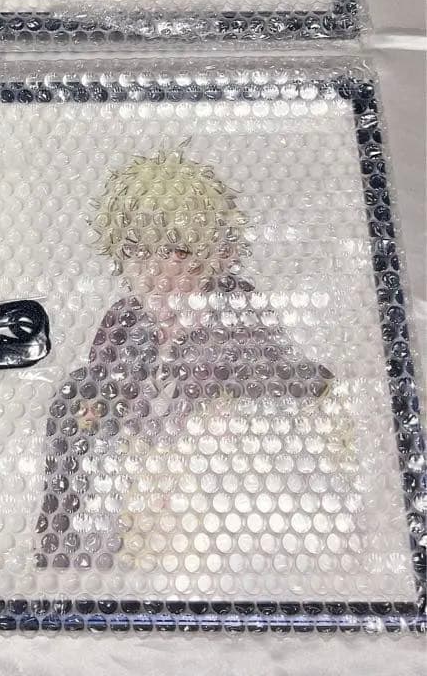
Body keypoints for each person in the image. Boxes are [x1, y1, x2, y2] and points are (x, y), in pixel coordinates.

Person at [35, 147, 351, 574]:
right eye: (136, 251)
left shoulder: (240, 321)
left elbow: (285, 396)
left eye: (177, 252)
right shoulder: (123, 323)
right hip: (121, 529)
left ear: (218, 256)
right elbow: (96, 416)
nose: (153, 273)